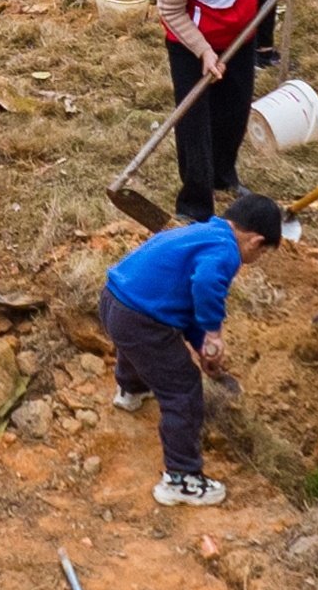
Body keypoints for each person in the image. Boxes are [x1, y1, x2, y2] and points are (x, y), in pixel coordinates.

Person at [99, 194, 278, 508]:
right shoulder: (226, 251)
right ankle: (182, 478)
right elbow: (206, 284)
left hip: (116, 300)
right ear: (255, 241)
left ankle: (131, 391)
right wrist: (213, 333)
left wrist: (201, 349)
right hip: (141, 318)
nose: (256, 259)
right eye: (262, 253)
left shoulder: (202, 233)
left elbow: (186, 306)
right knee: (182, 389)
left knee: (142, 350)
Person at [146, 0, 290, 219]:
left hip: (241, 36)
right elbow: (170, 11)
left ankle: (223, 176)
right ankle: (195, 203)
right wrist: (203, 52)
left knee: (234, 109)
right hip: (190, 44)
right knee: (194, 118)